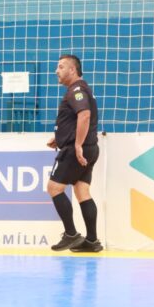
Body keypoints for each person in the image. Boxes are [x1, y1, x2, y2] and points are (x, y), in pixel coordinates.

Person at [46, 55, 103, 253]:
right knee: (82, 192)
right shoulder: (82, 89)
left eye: (60, 67)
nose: (56, 71)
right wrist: (61, 136)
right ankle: (92, 241)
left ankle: (71, 234)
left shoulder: (77, 90)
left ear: (72, 70)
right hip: (90, 148)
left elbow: (84, 115)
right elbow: (77, 119)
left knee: (54, 188)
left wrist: (76, 144)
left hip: (76, 150)